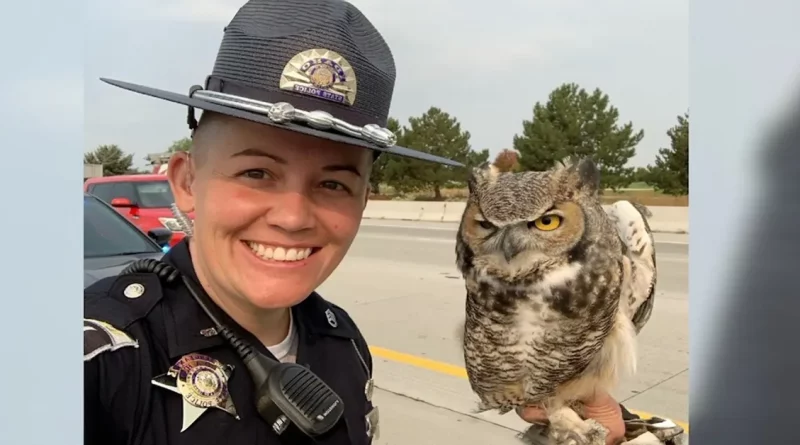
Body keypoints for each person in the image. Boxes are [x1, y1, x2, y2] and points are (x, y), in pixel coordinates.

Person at [84, 1, 672, 445]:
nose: (292, 217)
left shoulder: (340, 342)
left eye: (333, 183)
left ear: (364, 199)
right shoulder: (98, 360)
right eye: (258, 173)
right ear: (186, 181)